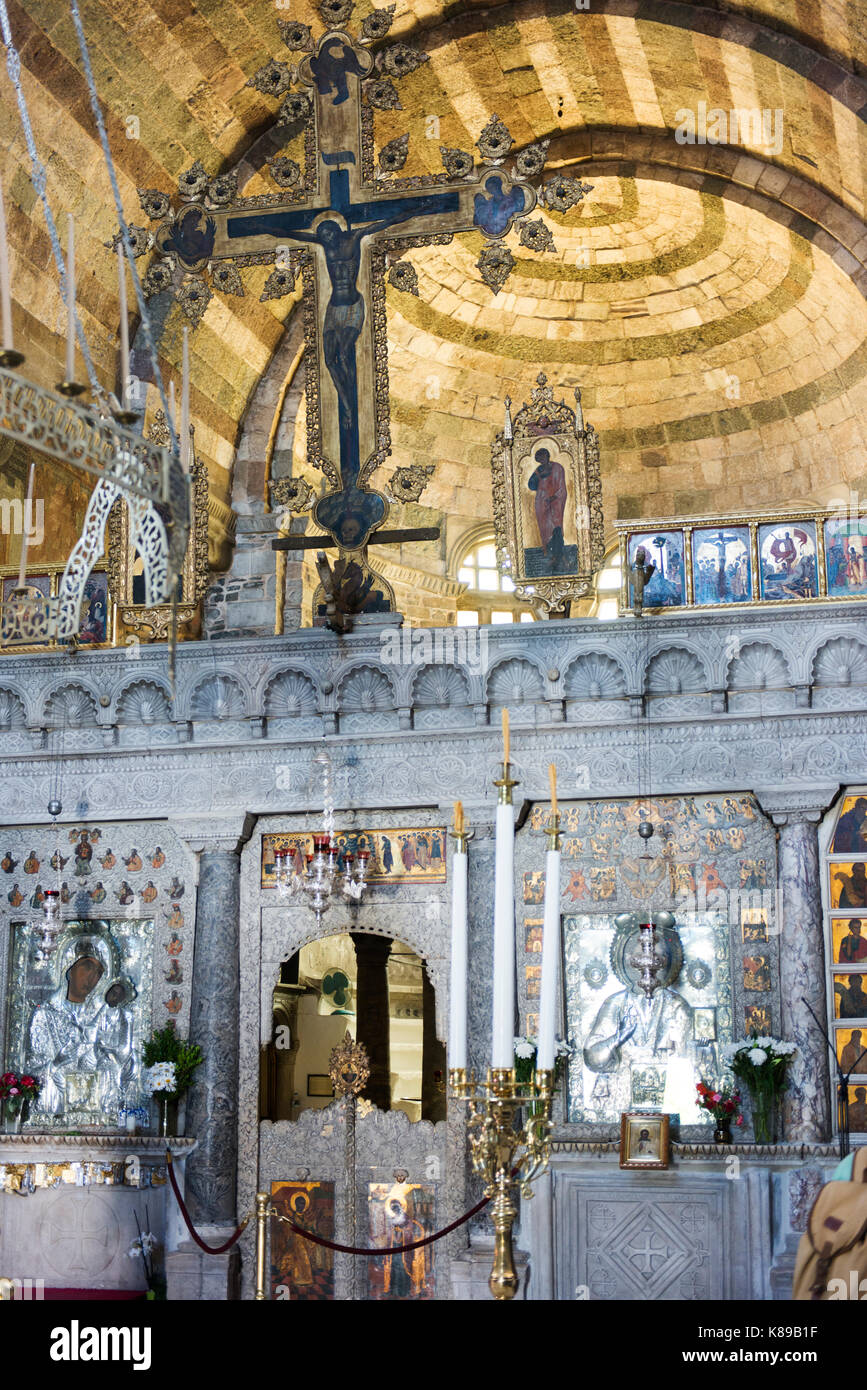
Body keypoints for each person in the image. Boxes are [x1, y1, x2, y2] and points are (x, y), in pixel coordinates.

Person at [527, 447, 567, 573]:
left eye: (543, 457)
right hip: (542, 501)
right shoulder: (539, 470)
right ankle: (548, 555)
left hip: (555, 501)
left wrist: (554, 497)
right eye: (539, 459)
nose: (541, 460)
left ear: (548, 456)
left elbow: (561, 486)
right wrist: (539, 477)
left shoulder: (557, 468)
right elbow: (531, 485)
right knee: (544, 528)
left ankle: (558, 557)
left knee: (556, 527)